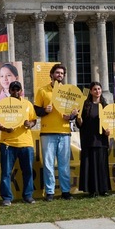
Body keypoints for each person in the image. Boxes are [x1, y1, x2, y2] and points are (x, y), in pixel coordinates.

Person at [34, 64, 78, 201]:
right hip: (47, 132)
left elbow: (75, 112)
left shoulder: (69, 91)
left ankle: (65, 191)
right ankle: (50, 192)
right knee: (48, 164)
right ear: (51, 74)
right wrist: (44, 111)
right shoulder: (42, 91)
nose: (59, 75)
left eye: (62, 73)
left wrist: (71, 116)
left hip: (64, 131)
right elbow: (36, 111)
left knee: (64, 164)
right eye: (57, 73)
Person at [0, 81, 37, 205]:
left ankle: (28, 196)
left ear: (21, 91)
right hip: (8, 143)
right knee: (6, 172)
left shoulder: (28, 104)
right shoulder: (3, 104)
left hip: (26, 143)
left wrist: (29, 124)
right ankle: (7, 198)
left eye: (17, 89)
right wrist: (5, 129)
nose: (15, 92)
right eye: (13, 90)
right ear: (9, 91)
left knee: (28, 171)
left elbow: (33, 120)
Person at [75, 82, 111, 197]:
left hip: (101, 140)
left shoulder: (105, 106)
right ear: (90, 91)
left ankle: (103, 189)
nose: (97, 91)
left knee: (102, 165)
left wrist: (109, 130)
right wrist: (78, 117)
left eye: (99, 89)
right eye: (95, 89)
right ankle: (92, 190)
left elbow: (110, 122)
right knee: (90, 165)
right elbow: (80, 124)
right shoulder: (85, 105)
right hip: (89, 140)